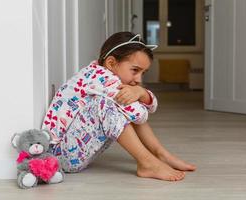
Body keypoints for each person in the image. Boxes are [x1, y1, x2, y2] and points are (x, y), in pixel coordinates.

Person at [42, 32, 196, 181]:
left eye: (143, 73)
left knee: (119, 104)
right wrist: (140, 94)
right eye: (135, 70)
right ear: (111, 63)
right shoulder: (99, 78)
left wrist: (140, 93)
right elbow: (139, 114)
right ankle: (147, 162)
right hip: (59, 156)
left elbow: (149, 107)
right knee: (106, 104)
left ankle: (160, 153)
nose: (138, 79)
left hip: (74, 150)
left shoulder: (101, 72)